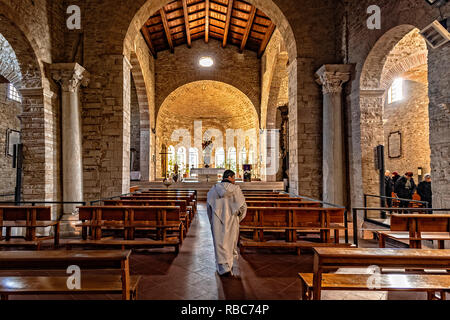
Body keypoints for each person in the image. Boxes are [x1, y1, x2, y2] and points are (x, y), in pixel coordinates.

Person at [206, 170, 247, 277]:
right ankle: (229, 265)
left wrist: (212, 220)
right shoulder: (236, 189)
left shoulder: (213, 190)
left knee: (219, 242)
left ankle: (221, 268)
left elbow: (209, 207)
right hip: (232, 220)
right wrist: (238, 216)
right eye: (234, 178)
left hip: (217, 221)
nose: (234, 180)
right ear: (229, 177)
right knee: (230, 241)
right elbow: (243, 207)